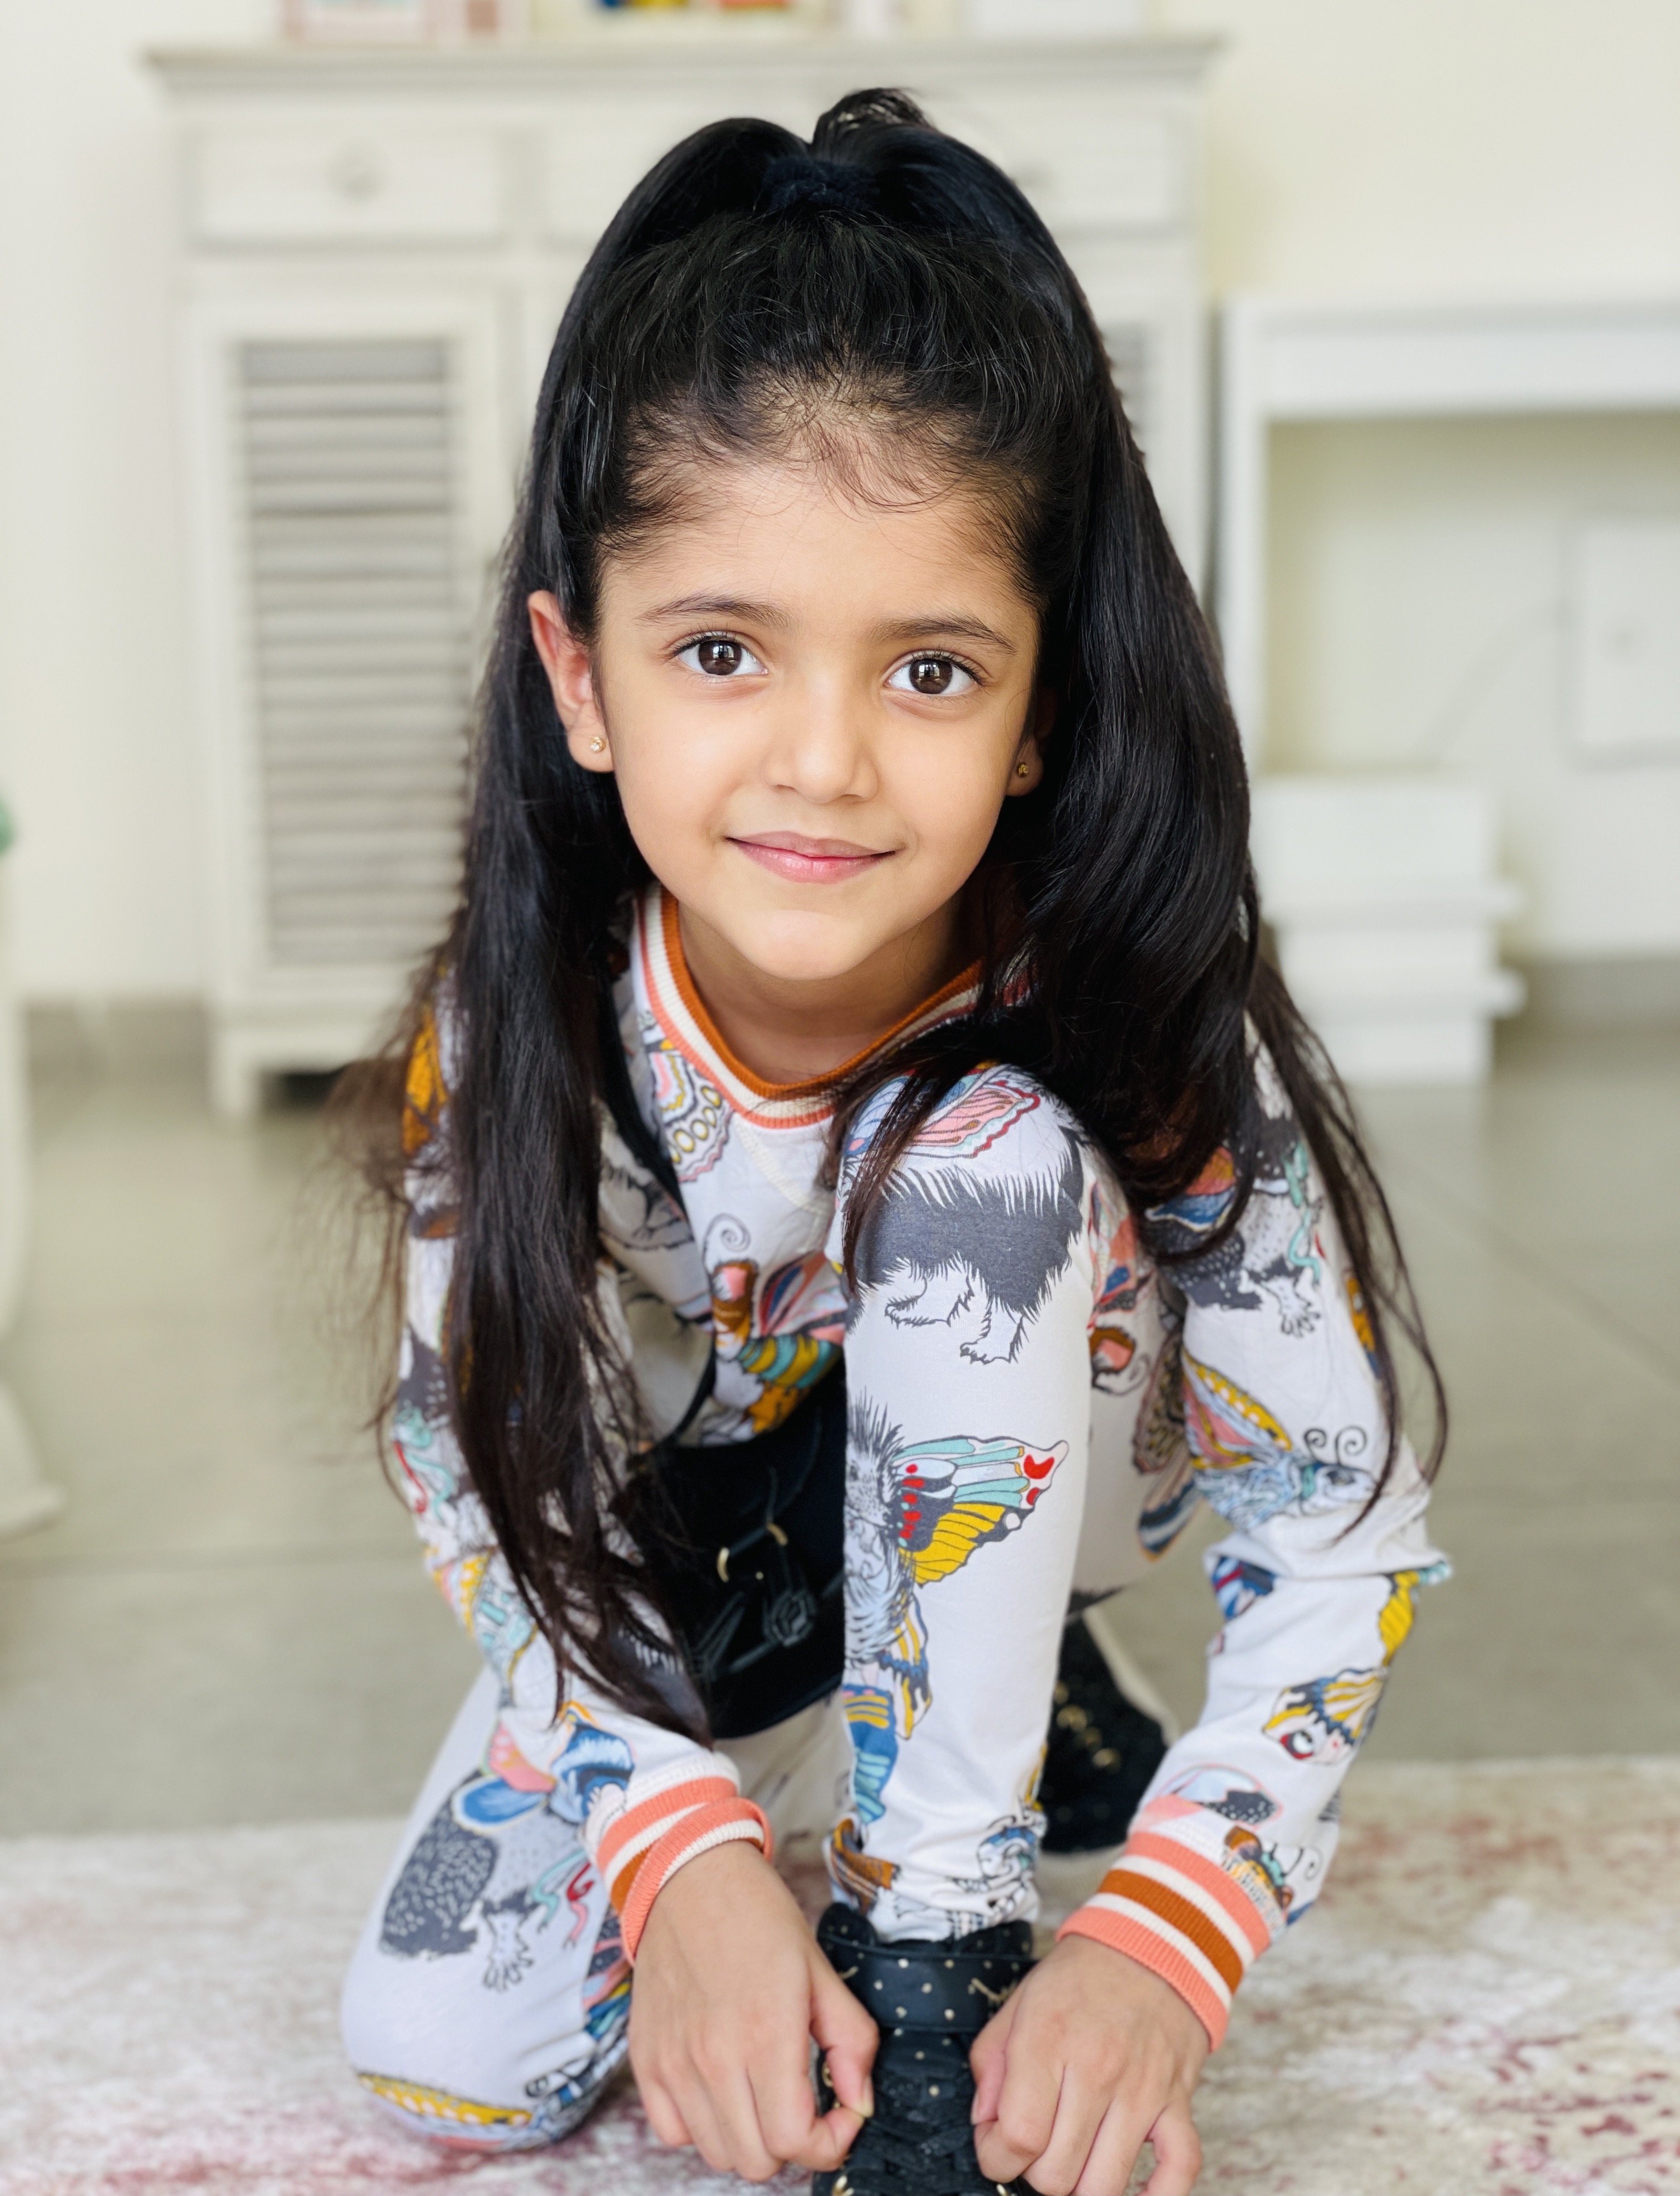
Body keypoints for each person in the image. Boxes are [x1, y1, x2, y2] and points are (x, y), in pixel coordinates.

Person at [335, 89, 1447, 2196]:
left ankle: (939, 1908)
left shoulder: (1134, 1025)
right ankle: (962, 1709)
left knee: (986, 1166)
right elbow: (485, 1476)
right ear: (580, 674)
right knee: (448, 2059)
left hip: (1065, 1451)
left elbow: (1339, 1522)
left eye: (932, 668)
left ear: (1038, 716)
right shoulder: (509, 1043)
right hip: (735, 1557)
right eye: (721, 651)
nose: (825, 762)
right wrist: (681, 1855)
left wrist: (1163, 1938)